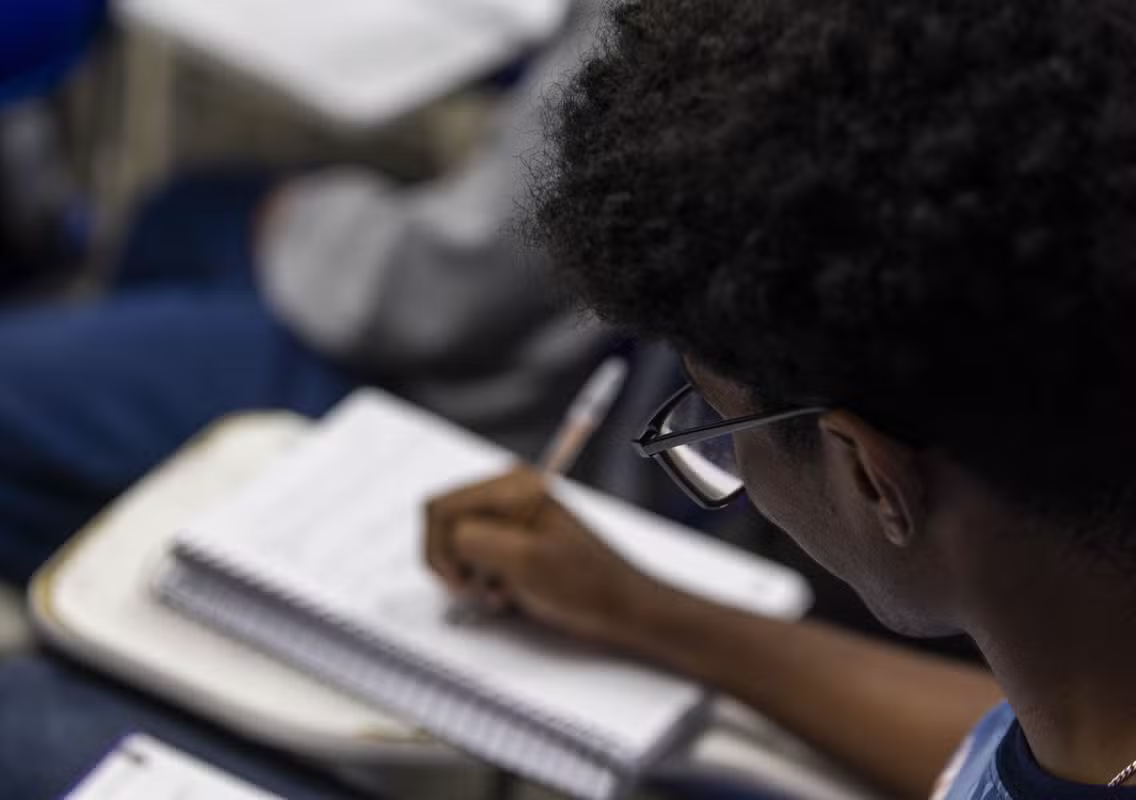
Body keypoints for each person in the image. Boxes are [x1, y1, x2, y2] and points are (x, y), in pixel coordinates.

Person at [421, 0, 1136, 798]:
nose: (729, 454)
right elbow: (1002, 737)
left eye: (721, 425)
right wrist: (638, 609)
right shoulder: (1089, 692)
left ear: (872, 478)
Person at [0, 0, 612, 629]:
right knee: (177, 218)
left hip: (472, 408)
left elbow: (441, 294)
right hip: (501, 333)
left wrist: (298, 221)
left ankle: (124, 590)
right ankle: (114, 532)